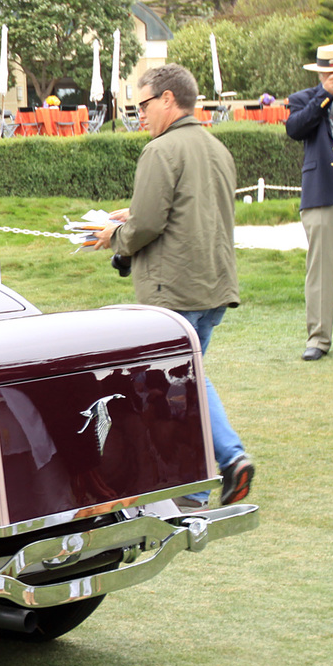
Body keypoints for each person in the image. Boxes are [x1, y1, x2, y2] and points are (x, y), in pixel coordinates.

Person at [95, 63, 253, 507]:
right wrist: (133, 221)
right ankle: (220, 467)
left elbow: (146, 224)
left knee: (172, 388)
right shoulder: (216, 148)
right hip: (214, 283)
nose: (139, 113)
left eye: (142, 104)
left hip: (174, 288)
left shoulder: (161, 151)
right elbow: (190, 210)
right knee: (190, 378)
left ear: (167, 99)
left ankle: (207, 477)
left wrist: (115, 238)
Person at [284, 44, 333, 361]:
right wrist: (325, 96)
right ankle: (318, 339)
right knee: (320, 269)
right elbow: (295, 128)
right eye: (329, 72)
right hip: (321, 193)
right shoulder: (305, 98)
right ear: (319, 72)